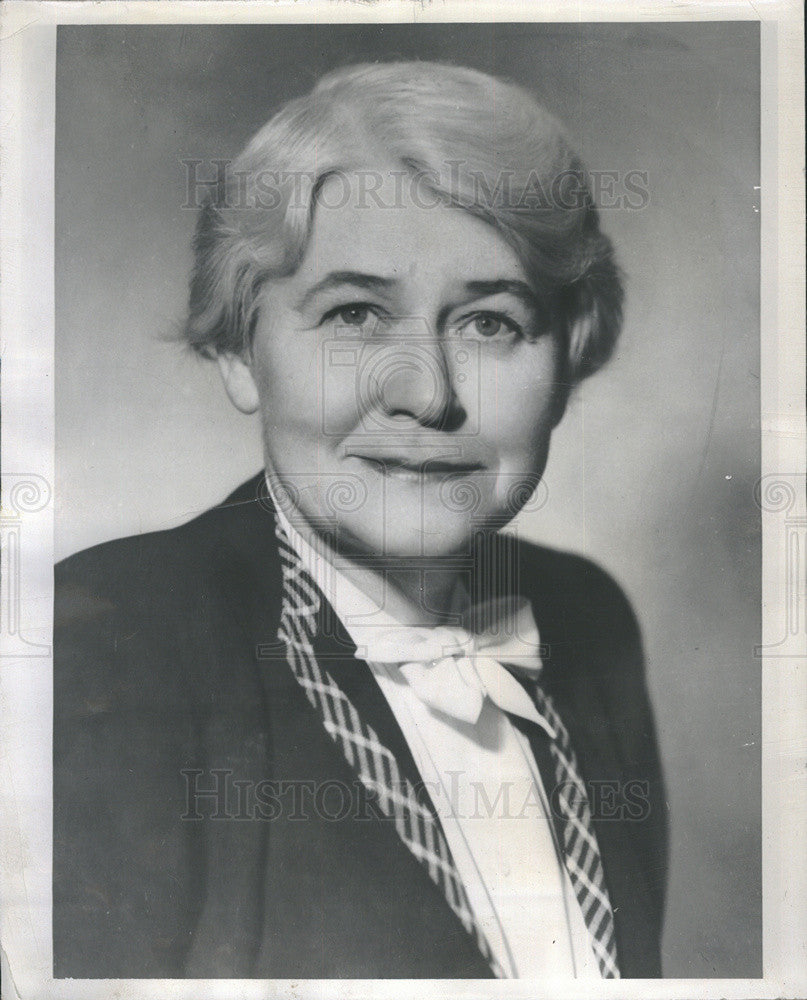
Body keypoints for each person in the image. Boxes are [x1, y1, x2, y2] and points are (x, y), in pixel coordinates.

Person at [53, 61, 667, 980]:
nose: (425, 393)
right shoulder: (113, 633)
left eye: (491, 323)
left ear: (568, 358)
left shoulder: (587, 618)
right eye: (354, 314)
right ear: (238, 351)